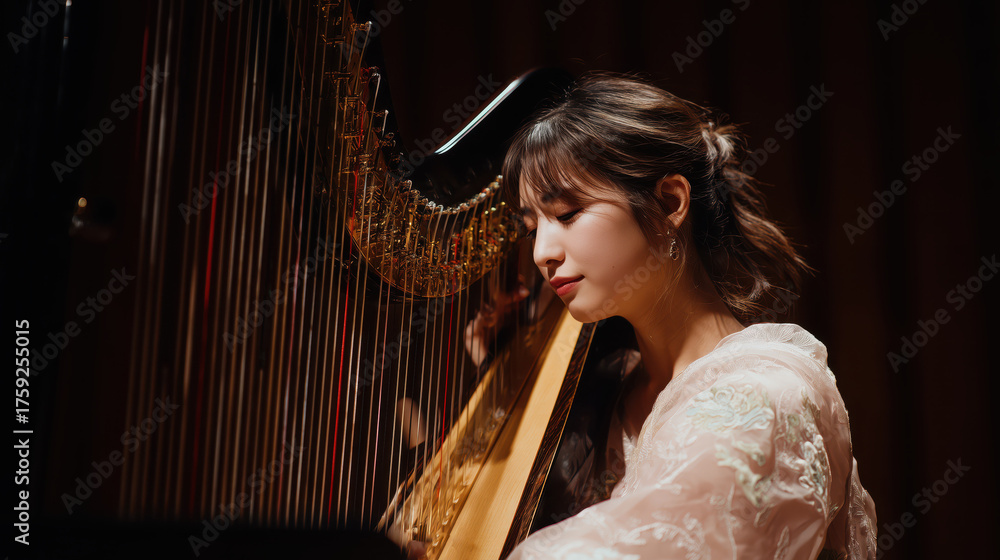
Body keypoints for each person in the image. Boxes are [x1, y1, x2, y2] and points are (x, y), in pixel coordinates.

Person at [501, 73, 878, 560]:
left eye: (568, 213)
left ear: (671, 202)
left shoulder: (762, 398)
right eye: (533, 227)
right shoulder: (611, 386)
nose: (542, 252)